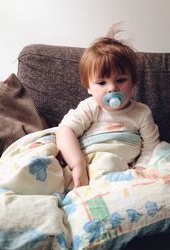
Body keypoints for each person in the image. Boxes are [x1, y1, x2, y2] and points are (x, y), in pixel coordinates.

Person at [56, 28, 160, 188]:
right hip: (89, 166)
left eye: (121, 80)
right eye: (102, 83)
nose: (112, 88)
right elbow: (65, 130)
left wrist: (140, 170)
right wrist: (78, 165)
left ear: (133, 83)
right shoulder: (90, 107)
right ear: (89, 88)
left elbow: (151, 146)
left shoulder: (141, 113)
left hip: (122, 171)